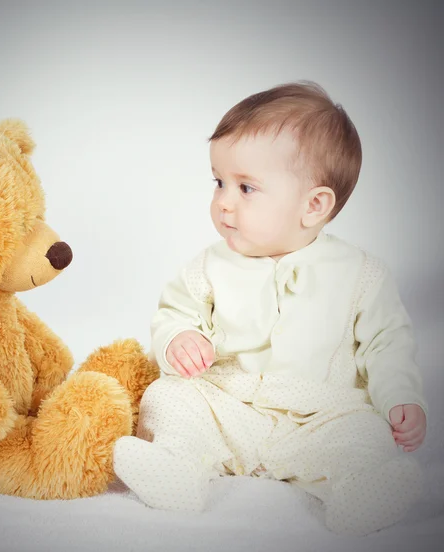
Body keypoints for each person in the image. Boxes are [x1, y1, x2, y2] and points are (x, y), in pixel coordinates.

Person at [113, 81, 427, 536]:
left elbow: (387, 344)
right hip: (229, 408)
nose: (223, 202)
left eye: (246, 188)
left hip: (320, 417)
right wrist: (180, 339)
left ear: (314, 205)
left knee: (365, 434)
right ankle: (178, 468)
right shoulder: (209, 265)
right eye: (219, 182)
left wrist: (401, 397)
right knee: (171, 396)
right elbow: (175, 314)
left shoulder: (360, 274)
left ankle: (362, 489)